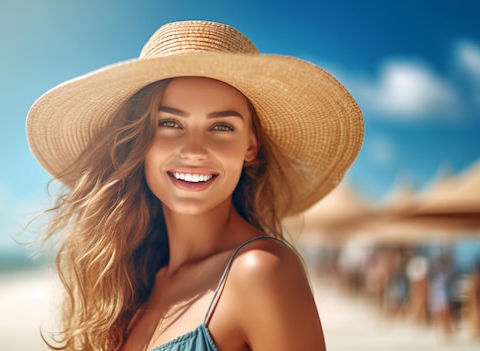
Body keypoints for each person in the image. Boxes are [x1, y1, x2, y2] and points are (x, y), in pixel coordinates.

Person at [26, 20, 363, 351]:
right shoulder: (134, 284)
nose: (194, 150)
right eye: (170, 123)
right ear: (140, 142)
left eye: (221, 127)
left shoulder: (261, 271)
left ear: (250, 145)